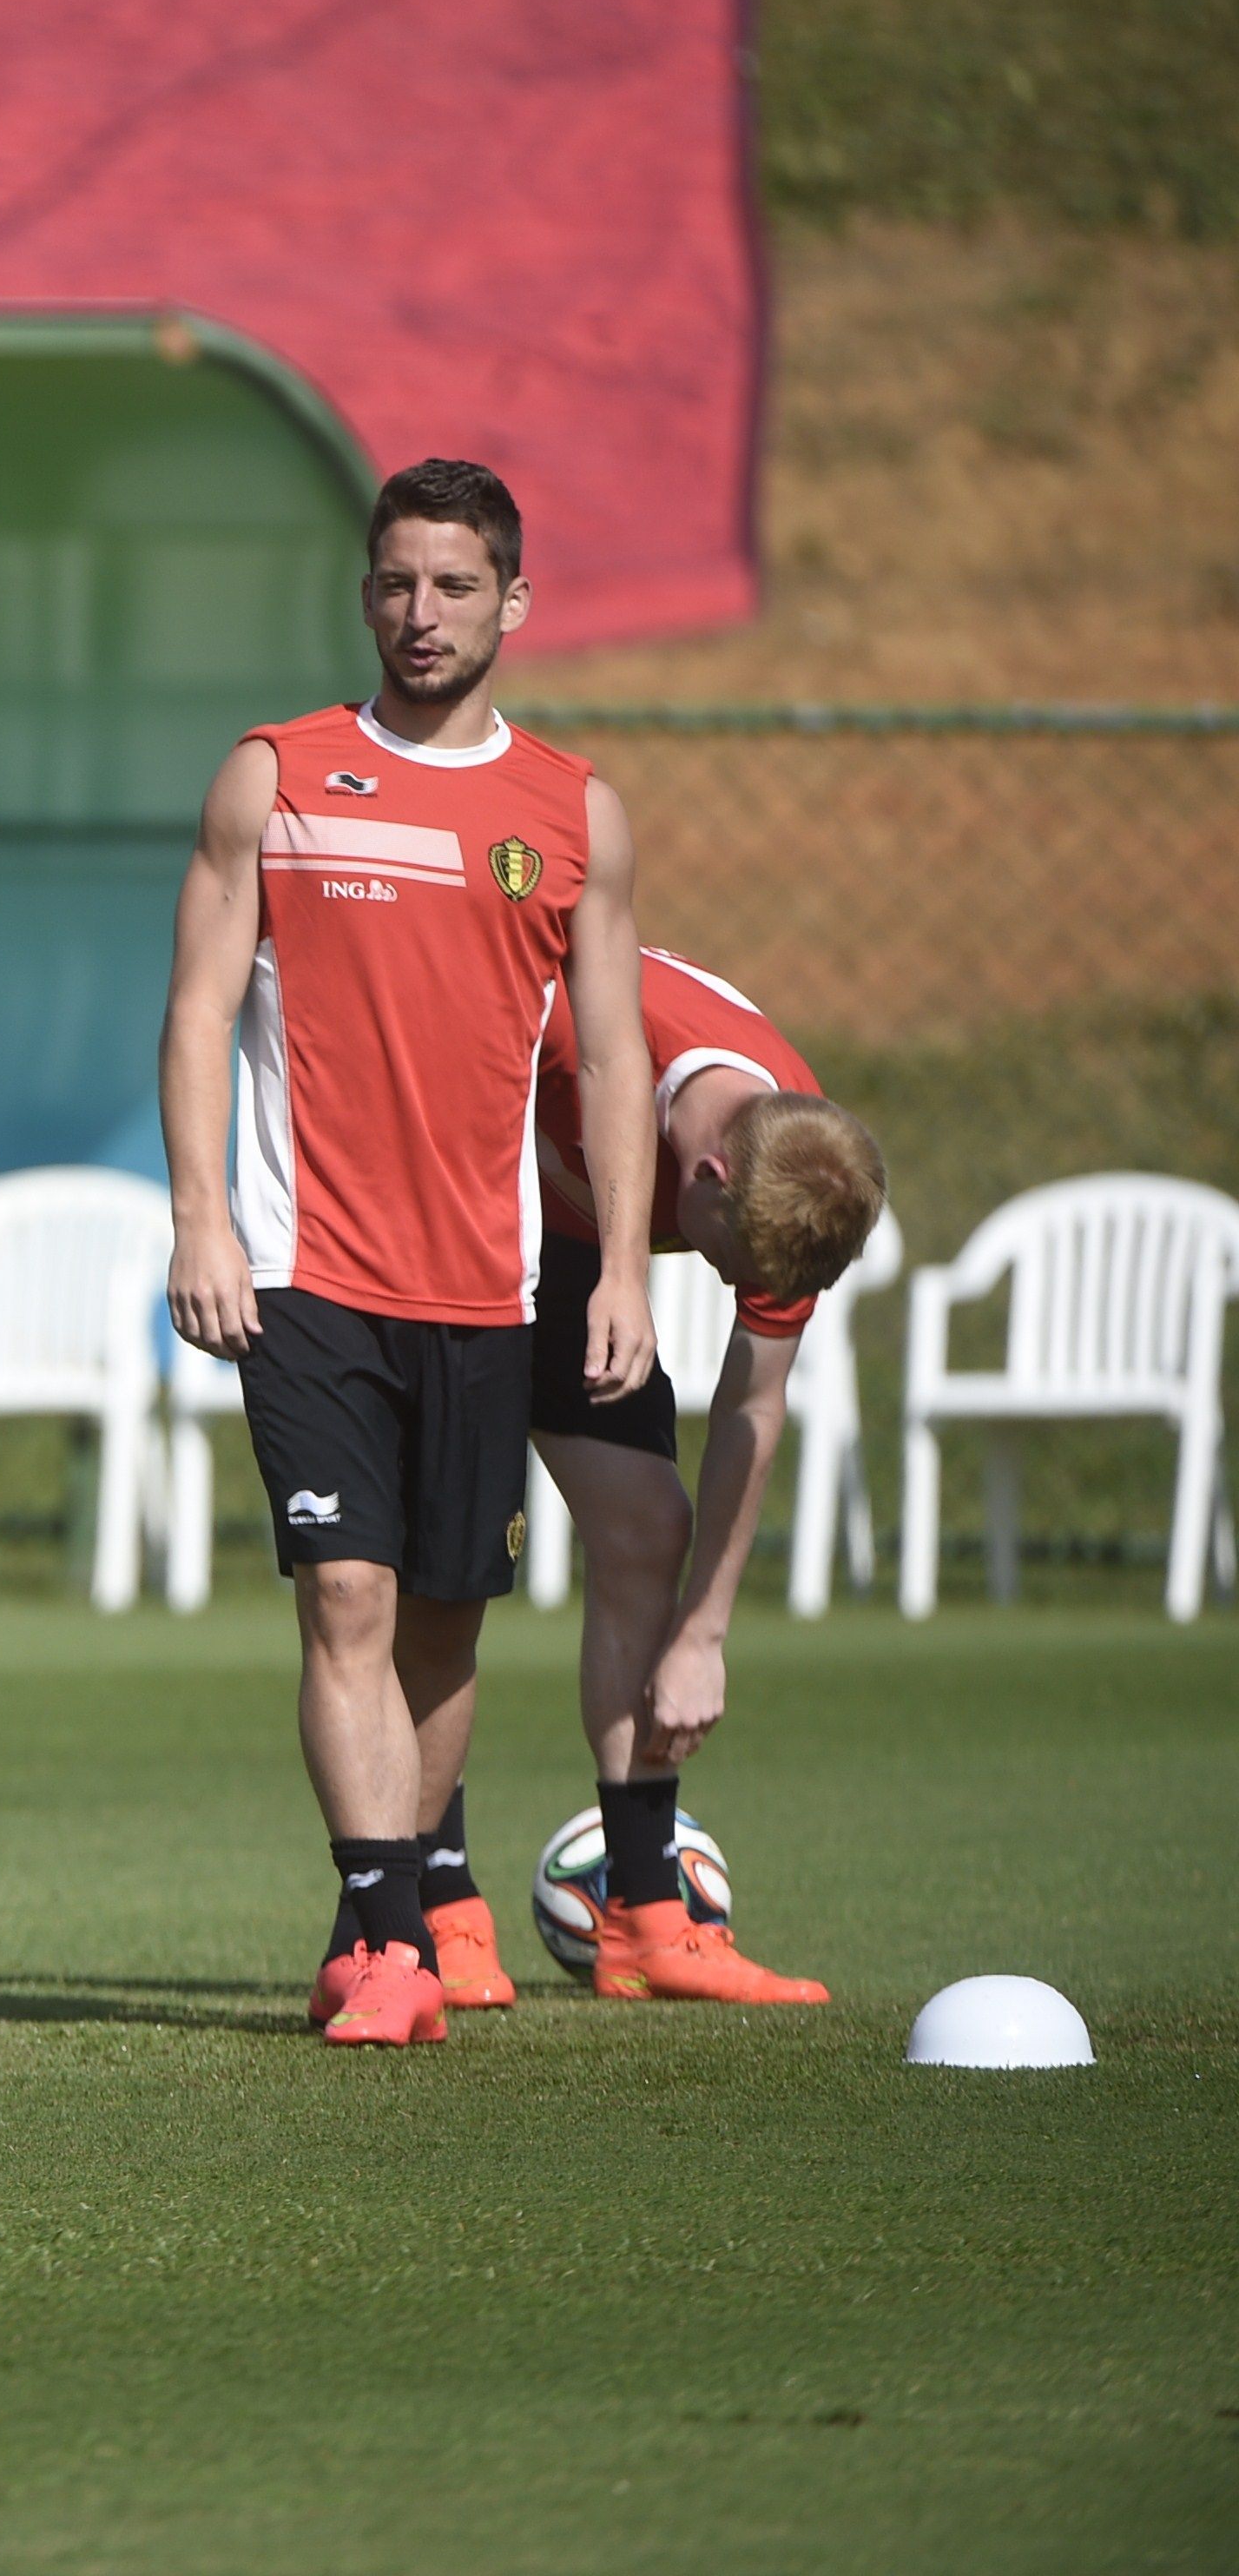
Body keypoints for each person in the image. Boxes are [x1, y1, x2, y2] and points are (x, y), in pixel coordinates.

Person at [158, 457, 658, 2050]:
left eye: (452, 586)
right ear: (361, 592)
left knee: (444, 1623)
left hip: (487, 1288)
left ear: (510, 602)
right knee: (348, 1597)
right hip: (305, 1272)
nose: (417, 613)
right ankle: (389, 1937)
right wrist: (198, 1219)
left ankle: (362, 1929)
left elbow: (613, 1055)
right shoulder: (273, 776)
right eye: (392, 583)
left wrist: (630, 1268)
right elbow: (189, 1014)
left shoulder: (570, 813)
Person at [408, 949, 881, 2006]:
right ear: (704, 1178)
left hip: (575, 1252)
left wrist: (702, 1633)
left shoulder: (799, 1178)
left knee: (645, 1527)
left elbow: (752, 1408)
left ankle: (645, 1918)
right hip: (449, 1219)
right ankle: (432, 1907)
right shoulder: (576, 1025)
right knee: (443, 1561)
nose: (739, 1287)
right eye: (732, 1265)